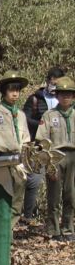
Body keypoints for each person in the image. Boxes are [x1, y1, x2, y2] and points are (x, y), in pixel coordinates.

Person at [0, 72, 30, 227]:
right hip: (1, 159)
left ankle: (9, 230)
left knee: (17, 199)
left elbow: (26, 139)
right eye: (11, 90)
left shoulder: (21, 114)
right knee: (1, 196)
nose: (15, 93)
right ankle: (0, 231)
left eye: (17, 90)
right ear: (4, 91)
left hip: (18, 160)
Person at [22, 66, 65, 221]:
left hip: (60, 146)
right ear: (47, 81)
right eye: (51, 83)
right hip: (39, 145)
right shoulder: (35, 98)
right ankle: (28, 216)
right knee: (34, 181)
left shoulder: (66, 99)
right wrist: (40, 124)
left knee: (60, 182)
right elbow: (24, 118)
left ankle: (57, 217)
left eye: (57, 84)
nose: (53, 87)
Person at [35, 76, 75, 240]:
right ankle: (53, 229)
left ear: (73, 97)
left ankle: (68, 227)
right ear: (56, 96)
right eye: (62, 94)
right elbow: (42, 140)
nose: (65, 97)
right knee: (54, 195)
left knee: (71, 194)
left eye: (69, 94)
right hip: (55, 157)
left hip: (73, 156)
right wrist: (48, 163)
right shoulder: (49, 115)